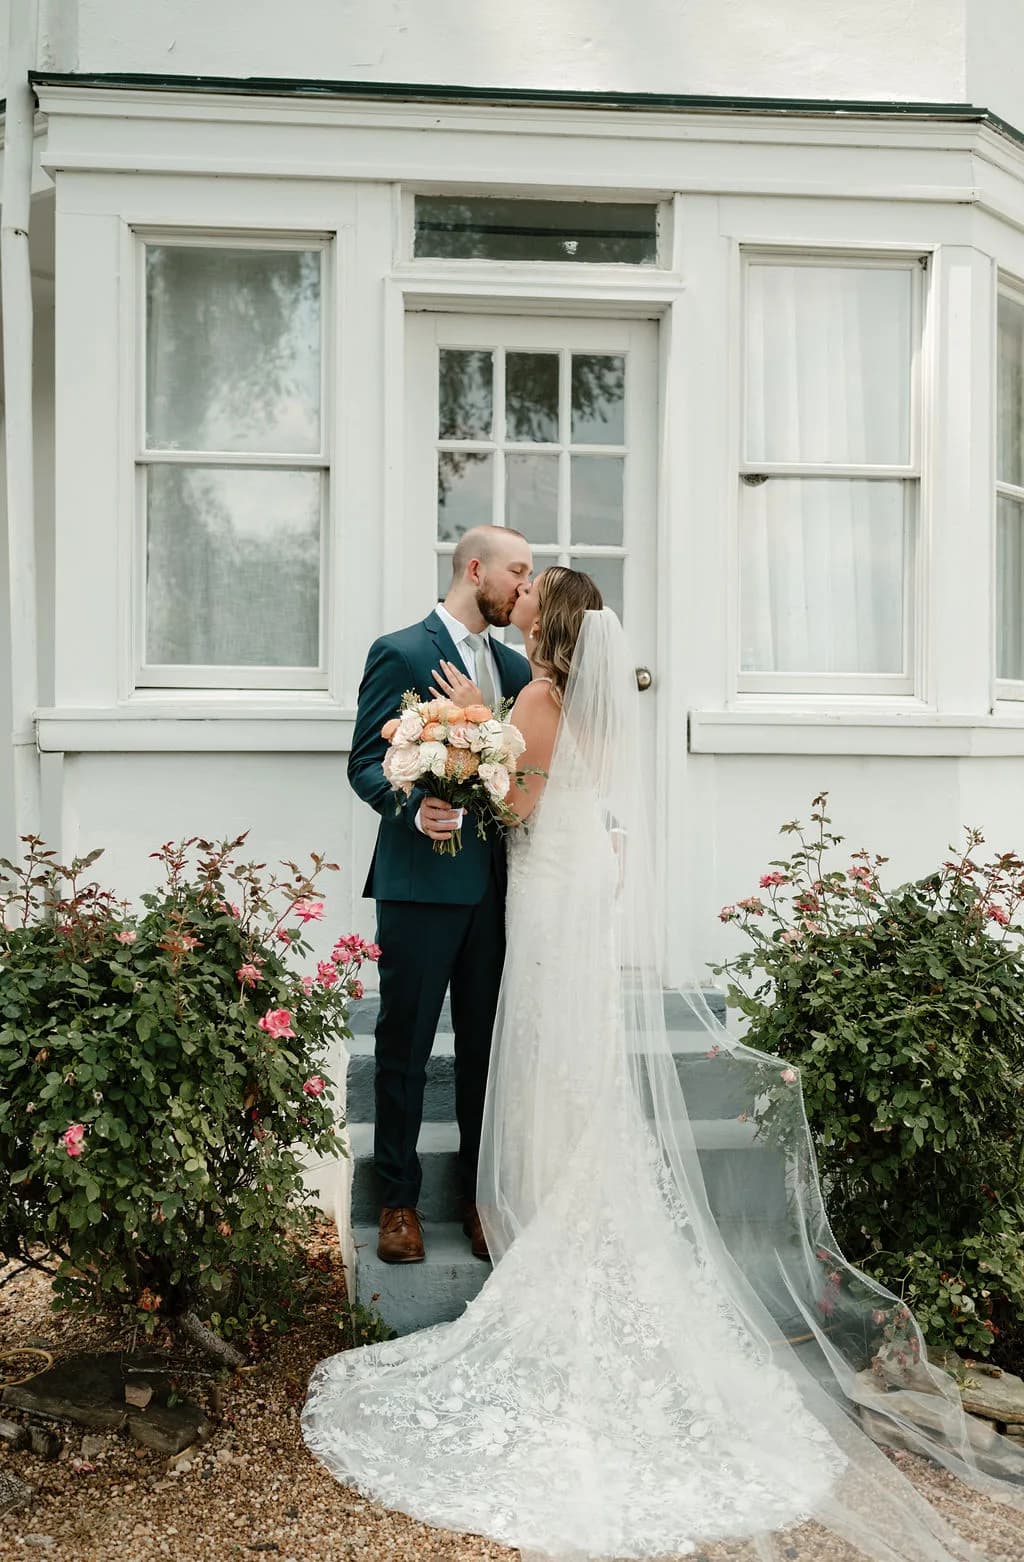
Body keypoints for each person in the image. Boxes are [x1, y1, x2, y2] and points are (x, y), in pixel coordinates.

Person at [308, 568, 1024, 1562]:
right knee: (570, 1046)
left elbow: (514, 803)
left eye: (531, 591)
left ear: (544, 623)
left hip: (548, 884)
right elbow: (557, 791)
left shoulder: (534, 694)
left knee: (541, 1043)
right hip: (575, 876)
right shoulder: (569, 692)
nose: (516, 596)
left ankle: (547, 1205)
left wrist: (466, 741)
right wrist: (466, 739)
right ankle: (552, 1188)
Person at [346, 524, 532, 1265]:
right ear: (475, 568)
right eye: (518, 573)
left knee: (489, 1049)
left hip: (496, 889)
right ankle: (398, 1200)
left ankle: (477, 1196)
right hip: (420, 884)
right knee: (406, 1045)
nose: (525, 587)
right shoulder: (402, 650)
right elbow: (365, 761)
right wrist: (411, 805)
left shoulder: (516, 670)